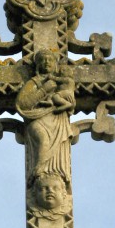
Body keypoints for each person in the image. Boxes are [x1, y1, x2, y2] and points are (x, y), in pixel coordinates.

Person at [16, 50, 75, 184]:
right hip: (38, 119)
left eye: (50, 59)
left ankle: (54, 176)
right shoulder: (35, 81)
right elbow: (22, 103)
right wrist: (44, 90)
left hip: (58, 120)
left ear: (55, 64)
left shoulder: (62, 80)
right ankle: (38, 170)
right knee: (43, 141)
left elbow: (70, 95)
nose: (47, 62)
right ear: (38, 65)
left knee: (57, 152)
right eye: (43, 60)